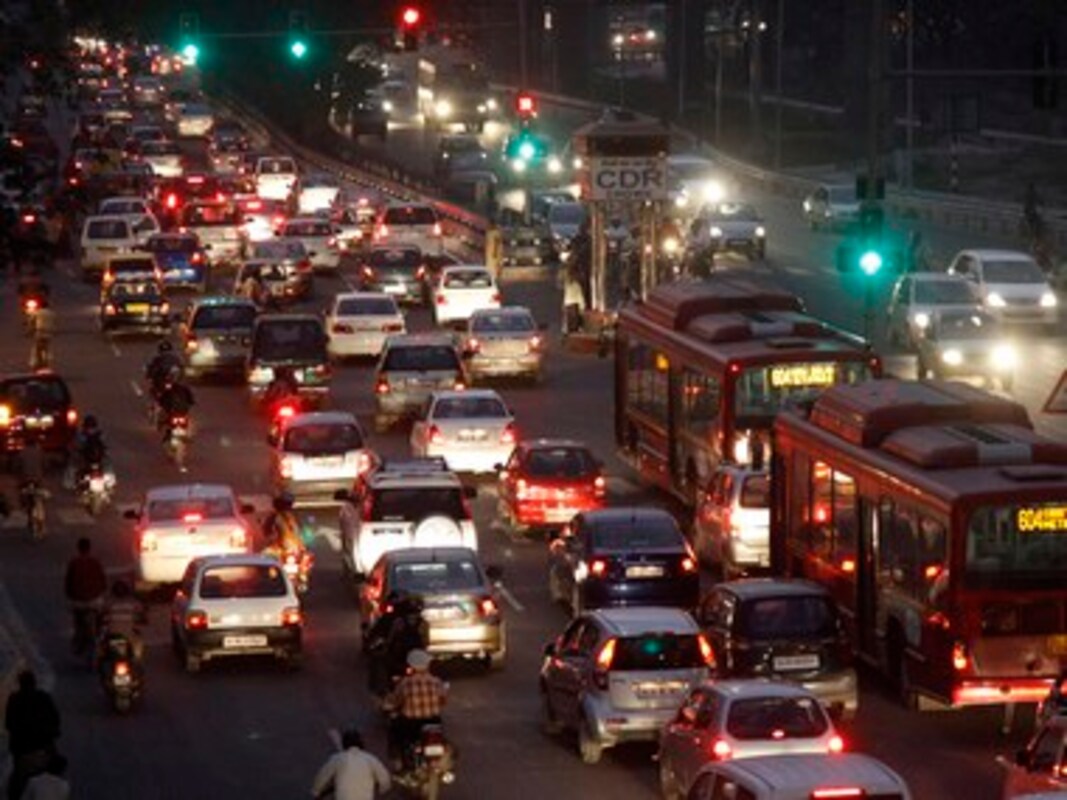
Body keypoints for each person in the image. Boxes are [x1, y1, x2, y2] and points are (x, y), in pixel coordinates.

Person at [384, 649, 448, 771]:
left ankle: (398, 761)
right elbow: (444, 700)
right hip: (434, 721)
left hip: (411, 724)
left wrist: (390, 706)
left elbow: (394, 701)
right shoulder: (436, 681)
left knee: (396, 733)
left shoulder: (405, 683)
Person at [4, 670, 60, 800]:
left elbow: (9, 723)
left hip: (22, 748)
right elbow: (55, 719)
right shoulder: (44, 698)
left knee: (16, 781)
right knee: (56, 770)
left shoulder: (15, 699)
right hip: (41, 745)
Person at [310, 727, 390, 800]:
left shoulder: (337, 758)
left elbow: (323, 775)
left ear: (344, 744)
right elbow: (385, 779)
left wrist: (316, 791)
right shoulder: (370, 759)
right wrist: (382, 789)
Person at [63, 537, 108, 655]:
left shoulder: (74, 563)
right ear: (89, 548)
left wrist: (71, 596)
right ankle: (98, 634)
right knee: (101, 616)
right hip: (95, 600)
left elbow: (68, 583)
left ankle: (79, 637)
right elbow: (103, 581)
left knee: (78, 619)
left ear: (78, 548)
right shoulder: (96, 562)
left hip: (78, 601)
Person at [98, 579, 145, 664]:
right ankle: (136, 661)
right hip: (127, 634)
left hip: (113, 634)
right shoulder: (133, 602)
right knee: (138, 646)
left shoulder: (108, 602)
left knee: (101, 646)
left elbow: (101, 615)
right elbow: (142, 615)